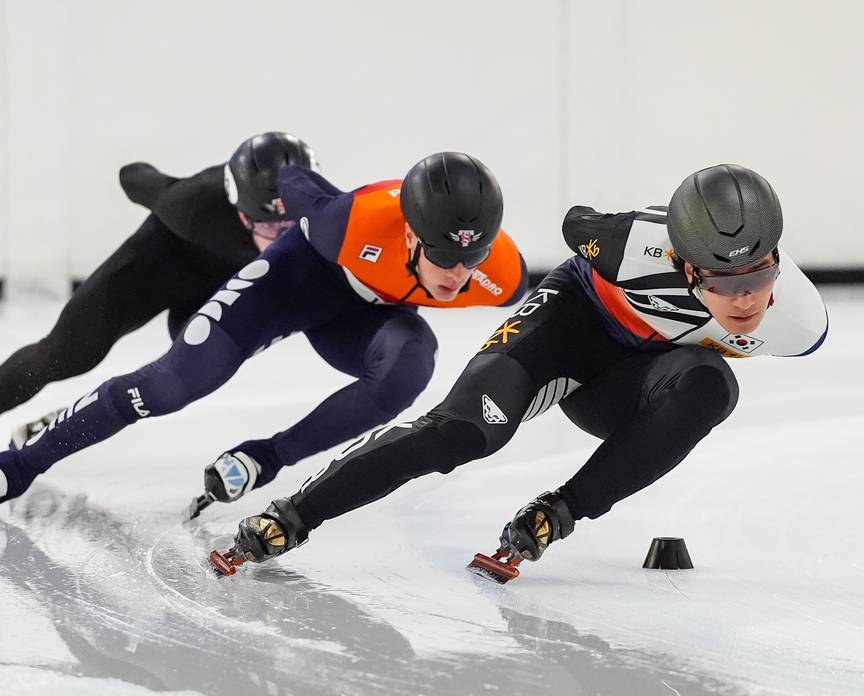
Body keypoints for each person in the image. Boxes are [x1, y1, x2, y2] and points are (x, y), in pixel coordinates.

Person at [220, 164, 829, 578]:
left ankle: (558, 511)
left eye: (758, 277)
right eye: (724, 281)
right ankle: (294, 515)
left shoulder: (797, 322)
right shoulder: (635, 248)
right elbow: (576, 223)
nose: (746, 300)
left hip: (630, 390)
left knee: (711, 383)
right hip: (570, 330)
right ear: (687, 266)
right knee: (464, 430)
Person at [0, 152, 528, 507]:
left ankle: (264, 457)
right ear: (411, 235)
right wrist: (285, 166)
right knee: (169, 386)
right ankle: (20, 465)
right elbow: (296, 185)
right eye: (442, 256)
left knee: (411, 366)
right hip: (295, 281)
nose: (458, 275)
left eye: (472, 257)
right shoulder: (351, 220)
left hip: (365, 316)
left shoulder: (501, 276)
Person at [0, 131, 319, 448]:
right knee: (63, 355)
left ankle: (68, 422)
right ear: (240, 211)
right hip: (152, 271)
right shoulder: (193, 203)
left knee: (188, 374)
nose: (281, 238)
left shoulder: (324, 213)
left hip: (217, 287)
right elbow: (133, 175)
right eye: (268, 226)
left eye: (292, 224)